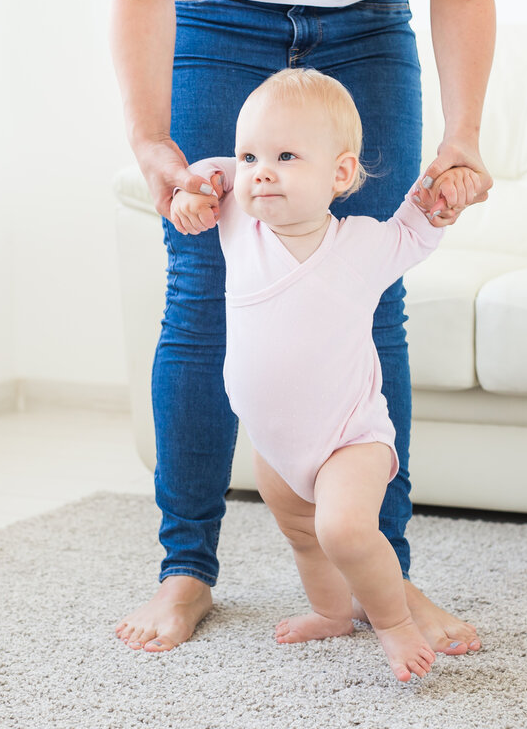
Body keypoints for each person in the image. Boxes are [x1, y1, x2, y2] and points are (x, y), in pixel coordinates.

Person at [112, 0, 495, 654]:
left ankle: (385, 571)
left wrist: (465, 133)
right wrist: (147, 139)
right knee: (200, 285)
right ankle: (185, 569)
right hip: (213, 14)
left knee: (370, 292)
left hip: (368, 21)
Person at [174, 68, 479, 681]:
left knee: (341, 530)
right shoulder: (238, 225)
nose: (260, 170)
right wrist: (193, 191)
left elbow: (417, 230)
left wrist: (438, 199)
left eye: (286, 156)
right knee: (301, 534)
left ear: (340, 174)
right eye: (252, 155)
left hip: (349, 437)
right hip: (274, 440)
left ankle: (391, 621)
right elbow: (212, 170)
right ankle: (330, 612)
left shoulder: (363, 245)